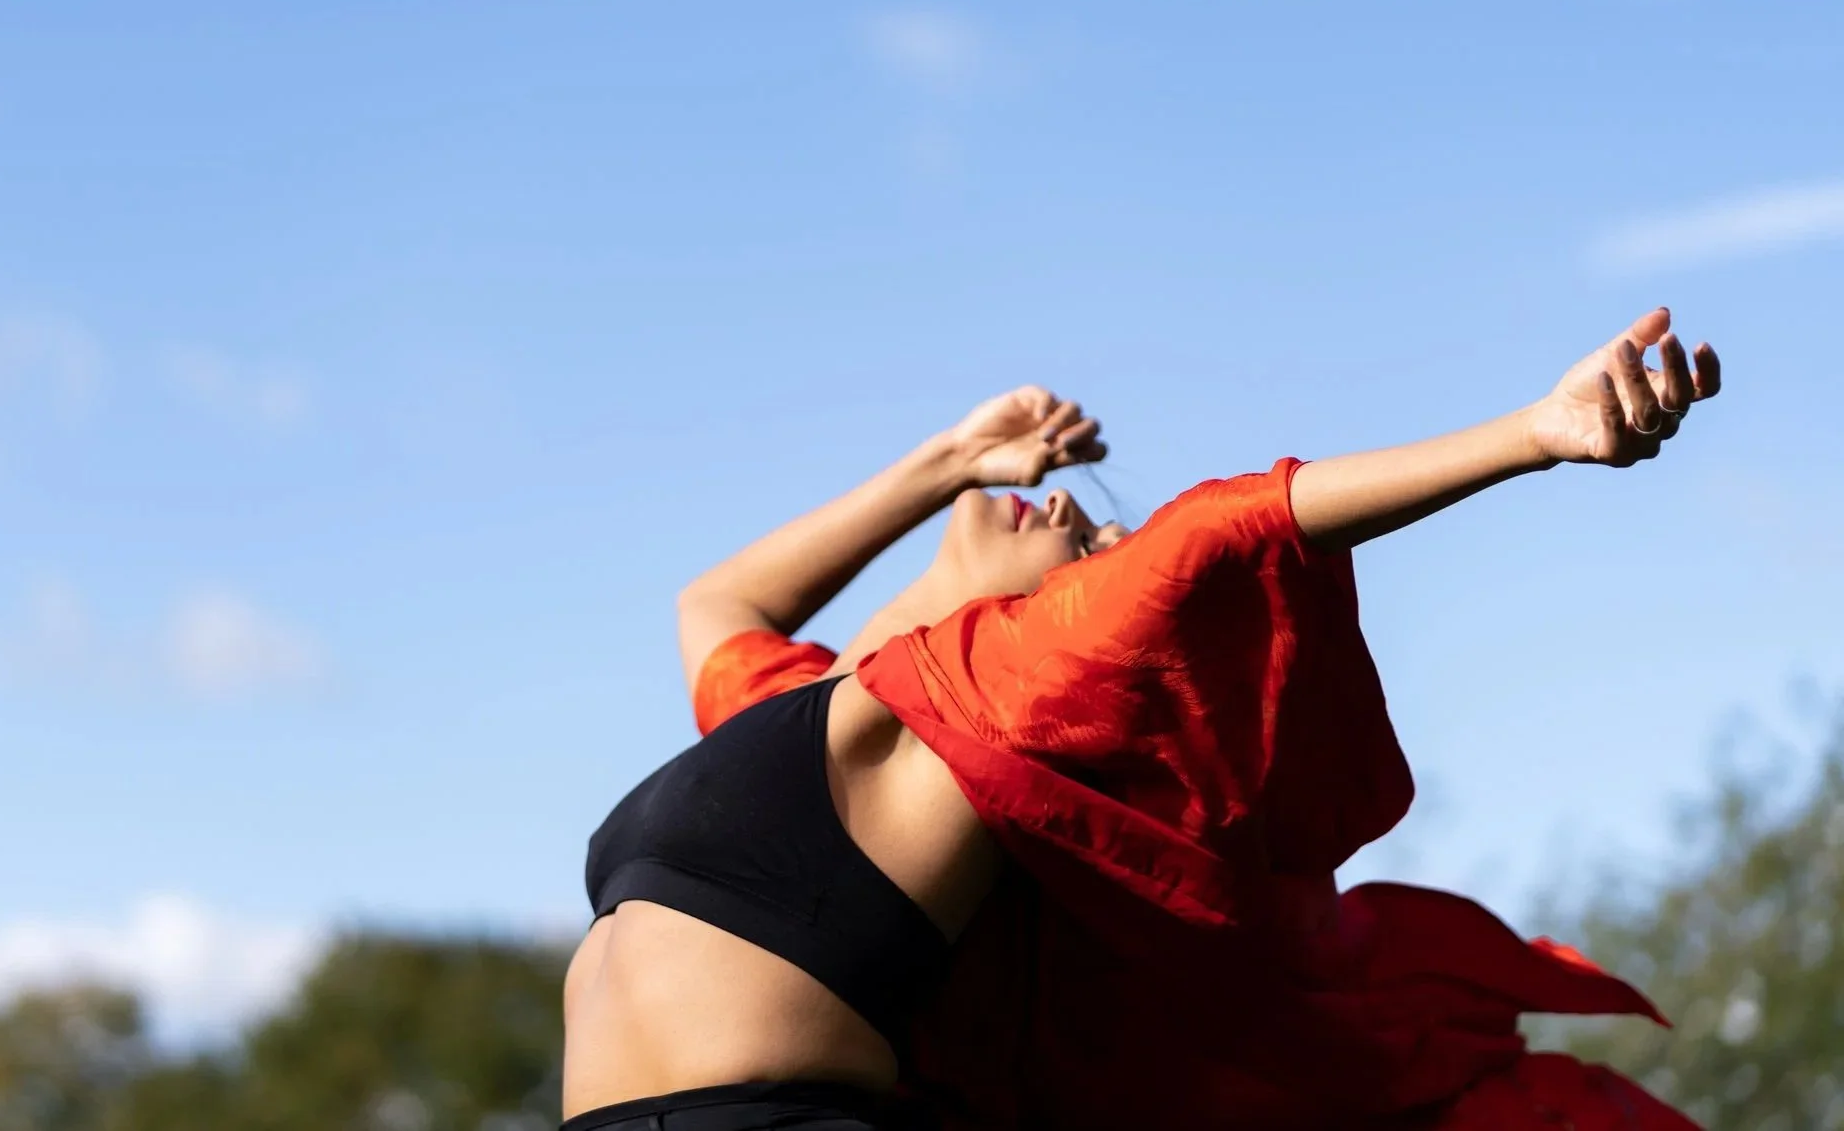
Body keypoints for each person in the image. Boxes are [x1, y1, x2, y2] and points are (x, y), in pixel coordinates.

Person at [562, 308, 1720, 1131]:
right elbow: (718, 602)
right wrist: (946, 462)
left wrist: (1531, 434)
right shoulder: (791, 703)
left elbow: (1224, 529)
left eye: (1087, 541)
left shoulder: (996, 686)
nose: (1064, 501)